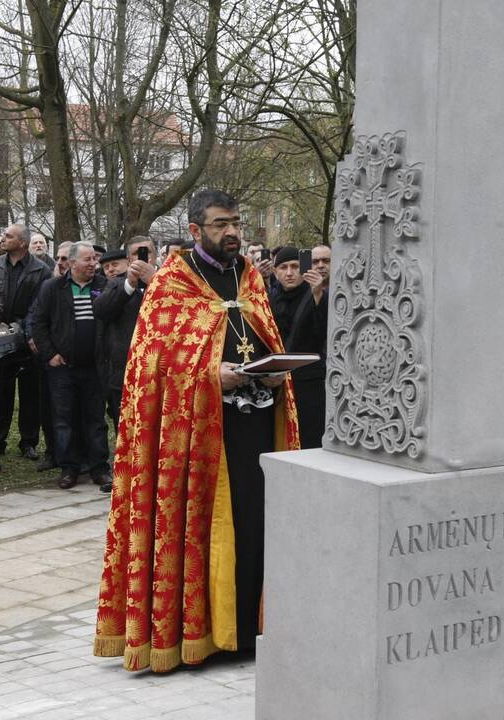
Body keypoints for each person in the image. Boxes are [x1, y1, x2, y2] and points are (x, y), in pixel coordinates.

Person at [94, 189, 300, 673]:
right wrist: (210, 373)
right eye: (220, 224)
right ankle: (198, 633)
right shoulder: (172, 282)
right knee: (201, 527)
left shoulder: (248, 275)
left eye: (236, 222)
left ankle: (249, 627)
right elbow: (150, 367)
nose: (232, 232)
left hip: (254, 426)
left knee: (255, 523)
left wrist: (274, 370)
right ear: (194, 230)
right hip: (194, 438)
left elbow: (262, 334)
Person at [31, 242, 111, 489]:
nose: (93, 264)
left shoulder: (103, 286)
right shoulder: (53, 287)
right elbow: (39, 323)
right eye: (87, 260)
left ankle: (99, 468)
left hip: (95, 367)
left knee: (96, 419)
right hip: (63, 367)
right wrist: (50, 354)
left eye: (94, 260)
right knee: (64, 419)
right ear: (73, 263)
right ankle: (69, 468)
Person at [0, 223, 51, 471]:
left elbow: (39, 305)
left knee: (30, 392)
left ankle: (28, 441)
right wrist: (1, 326)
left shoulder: (41, 269)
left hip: (28, 337)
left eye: (8, 235)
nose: (3, 238)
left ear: (22, 242)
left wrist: (23, 330)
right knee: (0, 390)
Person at [96, 237, 156, 442]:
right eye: (137, 253)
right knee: (127, 432)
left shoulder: (170, 282)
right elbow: (102, 311)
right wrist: (130, 285)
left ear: (155, 255)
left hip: (160, 371)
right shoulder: (116, 285)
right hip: (124, 371)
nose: (144, 257)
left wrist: (155, 282)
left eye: (147, 252)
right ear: (129, 260)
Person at [285, 245, 330, 449]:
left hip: (315, 377)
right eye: (315, 262)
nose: (320, 266)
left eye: (326, 261)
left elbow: (321, 333)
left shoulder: (317, 292)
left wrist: (318, 294)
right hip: (290, 379)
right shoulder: (290, 294)